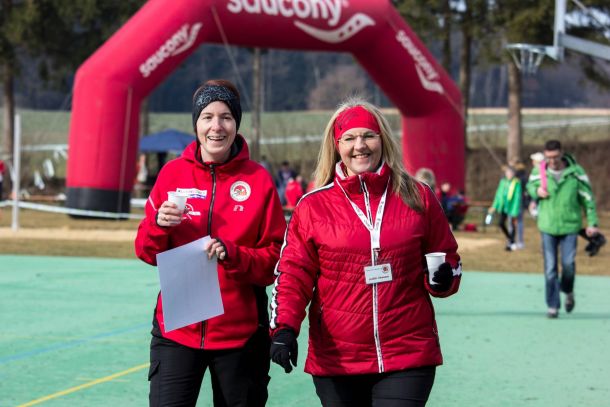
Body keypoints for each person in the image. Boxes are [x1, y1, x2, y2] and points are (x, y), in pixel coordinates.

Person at [269, 99, 462, 406]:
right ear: (337, 146)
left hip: (407, 352)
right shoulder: (312, 206)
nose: (360, 146)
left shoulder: (418, 196)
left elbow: (448, 258)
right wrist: (284, 328)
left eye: (368, 136)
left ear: (382, 140)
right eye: (349, 138)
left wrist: (444, 278)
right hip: (338, 358)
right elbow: (294, 274)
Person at [135, 79, 286, 406]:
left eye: (226, 117)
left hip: (240, 335)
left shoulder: (258, 180)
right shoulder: (171, 174)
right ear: (196, 124)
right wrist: (158, 226)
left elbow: (275, 261)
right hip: (177, 329)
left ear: (236, 124)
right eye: (207, 117)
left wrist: (234, 255)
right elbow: (145, 251)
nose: (216, 126)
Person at [526, 139, 600, 319]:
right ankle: (553, 305)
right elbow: (530, 187)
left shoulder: (576, 172)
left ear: (562, 153)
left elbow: (587, 198)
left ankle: (568, 291)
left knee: (568, 265)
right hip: (548, 225)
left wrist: (592, 223)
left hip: (570, 225)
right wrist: (537, 192)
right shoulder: (539, 171)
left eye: (555, 157)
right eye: (548, 157)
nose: (552, 161)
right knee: (550, 268)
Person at [488, 165, 522, 251]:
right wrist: (494, 206)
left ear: (513, 174)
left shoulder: (516, 183)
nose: (509, 174)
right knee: (501, 223)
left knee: (512, 225)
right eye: (507, 172)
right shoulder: (503, 182)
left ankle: (511, 243)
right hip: (503, 207)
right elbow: (498, 195)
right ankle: (511, 240)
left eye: (510, 173)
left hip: (512, 207)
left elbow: (517, 197)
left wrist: (515, 210)